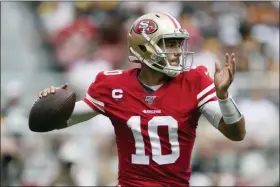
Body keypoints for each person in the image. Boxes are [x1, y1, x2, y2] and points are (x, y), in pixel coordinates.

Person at [36, 12, 246, 186]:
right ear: (144, 48)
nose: (177, 53)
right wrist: (50, 103)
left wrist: (224, 97)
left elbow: (236, 133)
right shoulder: (113, 85)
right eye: (169, 45)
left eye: (178, 44)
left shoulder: (194, 80)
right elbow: (53, 121)